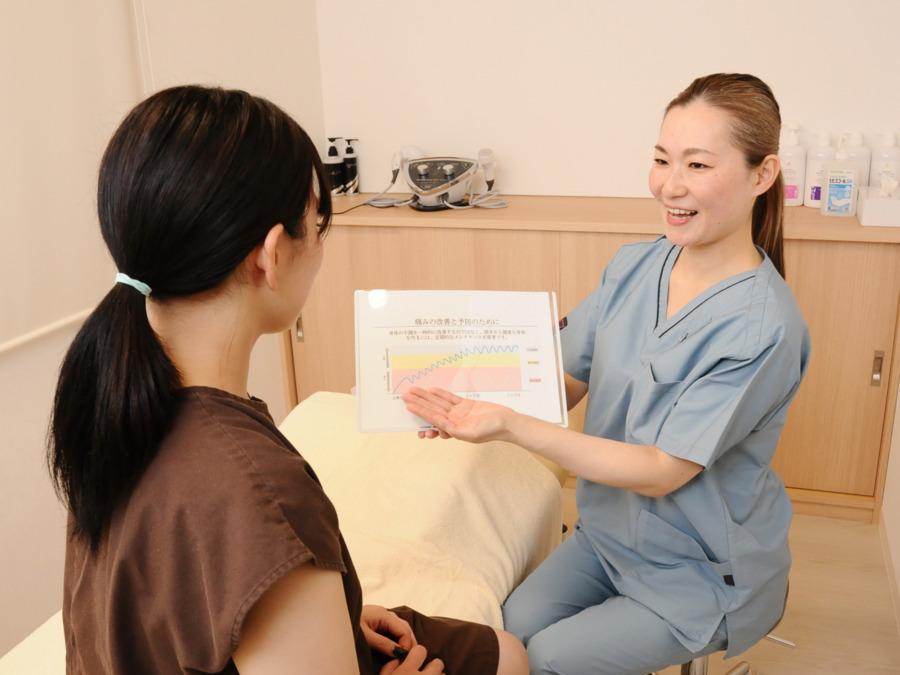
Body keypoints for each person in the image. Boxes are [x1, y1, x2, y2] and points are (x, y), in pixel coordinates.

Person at [48, 85, 528, 675]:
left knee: (500, 649)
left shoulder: (109, 397)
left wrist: (330, 619)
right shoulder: (256, 491)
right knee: (509, 659)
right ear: (270, 255)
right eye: (317, 222)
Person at [403, 73, 811, 675]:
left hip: (698, 570)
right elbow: (562, 379)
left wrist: (511, 424)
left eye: (698, 165)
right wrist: (464, 406)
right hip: (609, 535)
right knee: (508, 636)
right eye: (661, 159)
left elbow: (661, 470)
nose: (670, 185)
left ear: (762, 175)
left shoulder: (761, 326)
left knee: (544, 661)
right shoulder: (635, 266)